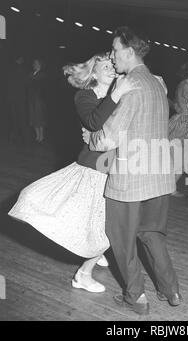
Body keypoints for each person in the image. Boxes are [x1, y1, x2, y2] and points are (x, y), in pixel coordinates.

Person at [8, 52, 137, 293]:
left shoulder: (120, 93)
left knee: (104, 221)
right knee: (105, 225)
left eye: (112, 64)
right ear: (93, 73)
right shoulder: (85, 95)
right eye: (104, 65)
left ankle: (95, 253)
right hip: (94, 168)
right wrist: (118, 96)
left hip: (117, 165)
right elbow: (95, 122)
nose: (111, 68)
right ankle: (83, 274)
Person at [83, 26, 180, 315]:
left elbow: (110, 137)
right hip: (159, 176)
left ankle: (136, 296)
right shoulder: (156, 83)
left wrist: (92, 139)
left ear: (129, 52)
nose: (112, 57)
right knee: (152, 234)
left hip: (130, 177)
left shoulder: (130, 85)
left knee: (121, 237)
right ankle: (171, 290)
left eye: (114, 51)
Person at [7, 55, 30, 144]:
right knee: (22, 118)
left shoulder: (10, 70)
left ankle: (13, 137)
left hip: (12, 98)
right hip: (20, 97)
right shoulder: (22, 70)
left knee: (14, 118)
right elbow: (26, 83)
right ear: (20, 60)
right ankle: (25, 139)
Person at [28, 59, 48, 143]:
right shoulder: (31, 74)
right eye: (34, 63)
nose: (34, 65)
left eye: (36, 63)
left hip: (39, 99)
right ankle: (37, 136)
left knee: (40, 117)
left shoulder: (42, 75)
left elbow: (44, 88)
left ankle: (41, 136)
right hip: (32, 98)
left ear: (40, 64)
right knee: (34, 117)